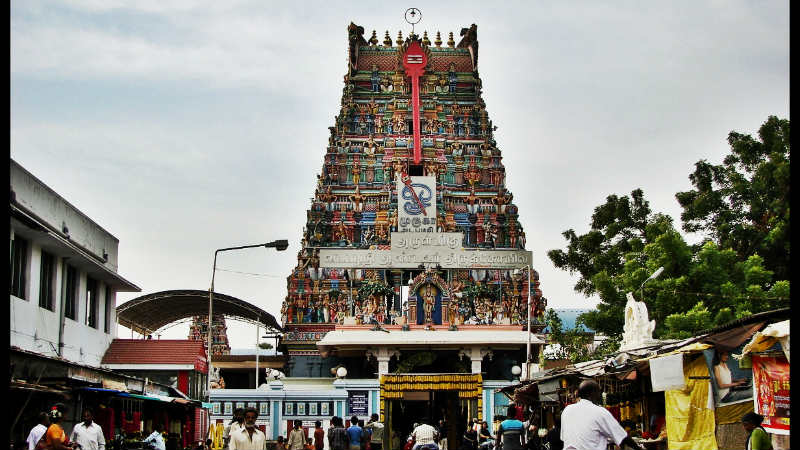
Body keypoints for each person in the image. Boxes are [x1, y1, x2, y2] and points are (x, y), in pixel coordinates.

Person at [560, 380, 643, 450]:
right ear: (592, 393)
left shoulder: (567, 410)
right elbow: (622, 436)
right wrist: (638, 448)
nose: (600, 395)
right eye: (599, 391)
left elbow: (564, 438)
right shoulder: (599, 411)